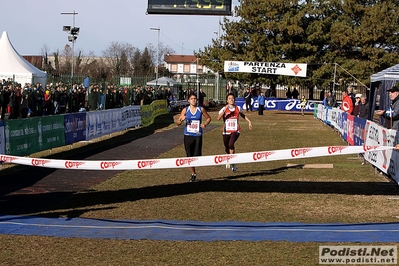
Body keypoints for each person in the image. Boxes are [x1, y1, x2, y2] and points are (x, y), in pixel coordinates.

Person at [176, 92, 211, 182]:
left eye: (195, 99)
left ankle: (193, 171)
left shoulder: (200, 109)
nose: (193, 100)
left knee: (197, 155)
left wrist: (205, 124)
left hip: (197, 135)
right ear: (188, 100)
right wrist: (181, 119)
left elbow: (208, 118)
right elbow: (178, 123)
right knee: (189, 156)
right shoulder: (185, 110)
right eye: (192, 99)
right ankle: (193, 173)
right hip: (188, 135)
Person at [217, 93, 253, 172]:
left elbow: (243, 115)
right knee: (227, 148)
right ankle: (232, 162)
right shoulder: (224, 108)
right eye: (229, 98)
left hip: (236, 130)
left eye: (232, 98)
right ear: (227, 100)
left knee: (231, 144)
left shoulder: (238, 108)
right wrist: (224, 110)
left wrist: (249, 121)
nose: (231, 100)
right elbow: (218, 118)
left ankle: (230, 161)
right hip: (226, 131)